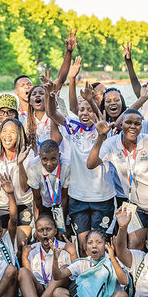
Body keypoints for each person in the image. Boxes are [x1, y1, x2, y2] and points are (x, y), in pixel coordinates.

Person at [88, 108, 148, 249]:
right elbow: (91, 164)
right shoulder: (111, 144)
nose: (132, 127)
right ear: (121, 125)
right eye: (128, 123)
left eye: (137, 124)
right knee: (134, 244)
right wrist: (101, 137)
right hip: (136, 204)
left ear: (141, 126)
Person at [47, 85, 116, 254]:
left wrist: (91, 100)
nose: (85, 113)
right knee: (84, 244)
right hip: (78, 196)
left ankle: (102, 276)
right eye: (81, 109)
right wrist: (50, 95)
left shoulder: (105, 130)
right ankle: (85, 276)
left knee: (99, 244)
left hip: (102, 196)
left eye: (89, 110)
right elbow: (52, 113)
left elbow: (101, 119)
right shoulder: (72, 127)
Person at [54, 230, 130, 297]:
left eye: (99, 242)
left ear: (105, 245)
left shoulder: (112, 260)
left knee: (122, 295)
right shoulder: (82, 262)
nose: (94, 246)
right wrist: (55, 259)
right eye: (90, 243)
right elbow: (58, 276)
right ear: (85, 247)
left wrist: (112, 258)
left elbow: (124, 281)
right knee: (58, 293)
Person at [17, 215, 76, 297]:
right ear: (36, 233)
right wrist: (24, 256)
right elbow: (28, 279)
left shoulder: (65, 248)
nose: (45, 233)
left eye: (48, 229)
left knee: (64, 269)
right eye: (40, 230)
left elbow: (76, 275)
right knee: (23, 271)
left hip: (58, 291)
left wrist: (73, 254)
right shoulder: (32, 248)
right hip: (40, 289)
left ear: (55, 230)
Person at [24, 139, 71, 232]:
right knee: (44, 231)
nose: (49, 164)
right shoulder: (33, 166)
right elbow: (37, 198)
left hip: (61, 204)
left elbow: (65, 197)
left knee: (61, 233)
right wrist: (39, 224)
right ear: (40, 156)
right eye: (44, 159)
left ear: (59, 156)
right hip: (43, 204)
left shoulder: (67, 165)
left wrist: (62, 227)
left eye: (53, 159)